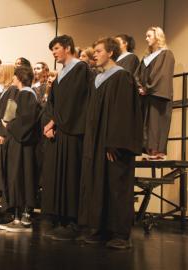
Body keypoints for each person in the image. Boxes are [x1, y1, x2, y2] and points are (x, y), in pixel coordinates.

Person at [78, 37, 142, 249]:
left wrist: (114, 143)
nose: (94, 54)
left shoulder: (122, 77)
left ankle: (120, 234)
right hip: (95, 144)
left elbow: (123, 114)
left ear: (111, 53)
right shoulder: (98, 79)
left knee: (115, 185)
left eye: (98, 51)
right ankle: (99, 228)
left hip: (113, 144)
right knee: (97, 184)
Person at [41, 35, 93, 241]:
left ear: (68, 48)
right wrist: (49, 123)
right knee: (58, 174)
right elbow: (52, 101)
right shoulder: (61, 73)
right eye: (52, 49)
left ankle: (73, 221)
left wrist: (55, 121)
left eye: (56, 48)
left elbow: (75, 101)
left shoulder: (80, 69)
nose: (53, 53)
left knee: (72, 175)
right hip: (60, 130)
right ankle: (60, 217)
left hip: (73, 130)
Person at [0, 66, 40, 232]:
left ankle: (24, 218)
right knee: (15, 177)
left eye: (15, 76)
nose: (13, 79)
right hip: (16, 142)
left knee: (23, 176)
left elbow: (26, 121)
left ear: (20, 77)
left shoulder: (28, 94)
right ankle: (16, 217)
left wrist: (9, 126)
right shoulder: (20, 94)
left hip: (24, 146)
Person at [135, 27, 175, 160]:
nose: (146, 39)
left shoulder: (166, 54)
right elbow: (137, 74)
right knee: (147, 124)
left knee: (157, 123)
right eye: (146, 36)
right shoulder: (146, 57)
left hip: (158, 95)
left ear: (158, 37)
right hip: (146, 95)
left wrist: (147, 88)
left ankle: (158, 152)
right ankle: (149, 151)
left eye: (149, 36)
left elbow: (161, 74)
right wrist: (140, 86)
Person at [0, 64, 20, 206]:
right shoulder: (6, 90)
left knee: (3, 165)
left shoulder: (13, 89)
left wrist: (3, 133)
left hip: (5, 131)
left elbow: (10, 111)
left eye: (1, 71)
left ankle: (5, 200)